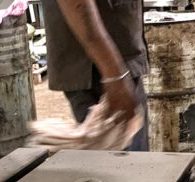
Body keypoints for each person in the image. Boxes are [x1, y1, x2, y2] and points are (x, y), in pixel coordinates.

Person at [41, 0, 149, 151]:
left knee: (130, 153)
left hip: (116, 58)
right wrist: (114, 75)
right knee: (121, 157)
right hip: (99, 65)